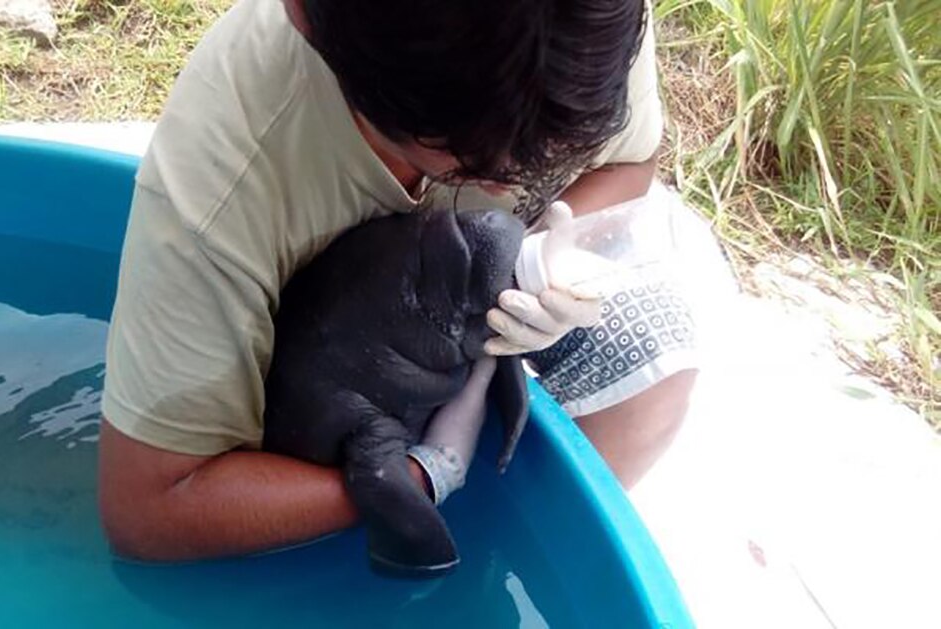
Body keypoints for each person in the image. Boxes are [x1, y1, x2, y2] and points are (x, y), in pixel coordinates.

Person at [99, 0, 720, 562]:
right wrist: (422, 474)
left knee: (647, 357)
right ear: (306, 16)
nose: (510, 184)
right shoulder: (222, 183)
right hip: (309, 403)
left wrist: (545, 262)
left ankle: (498, 562)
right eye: (465, 159)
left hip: (468, 310)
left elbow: (629, 160)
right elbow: (149, 510)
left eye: (547, 152)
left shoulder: (582, 30)